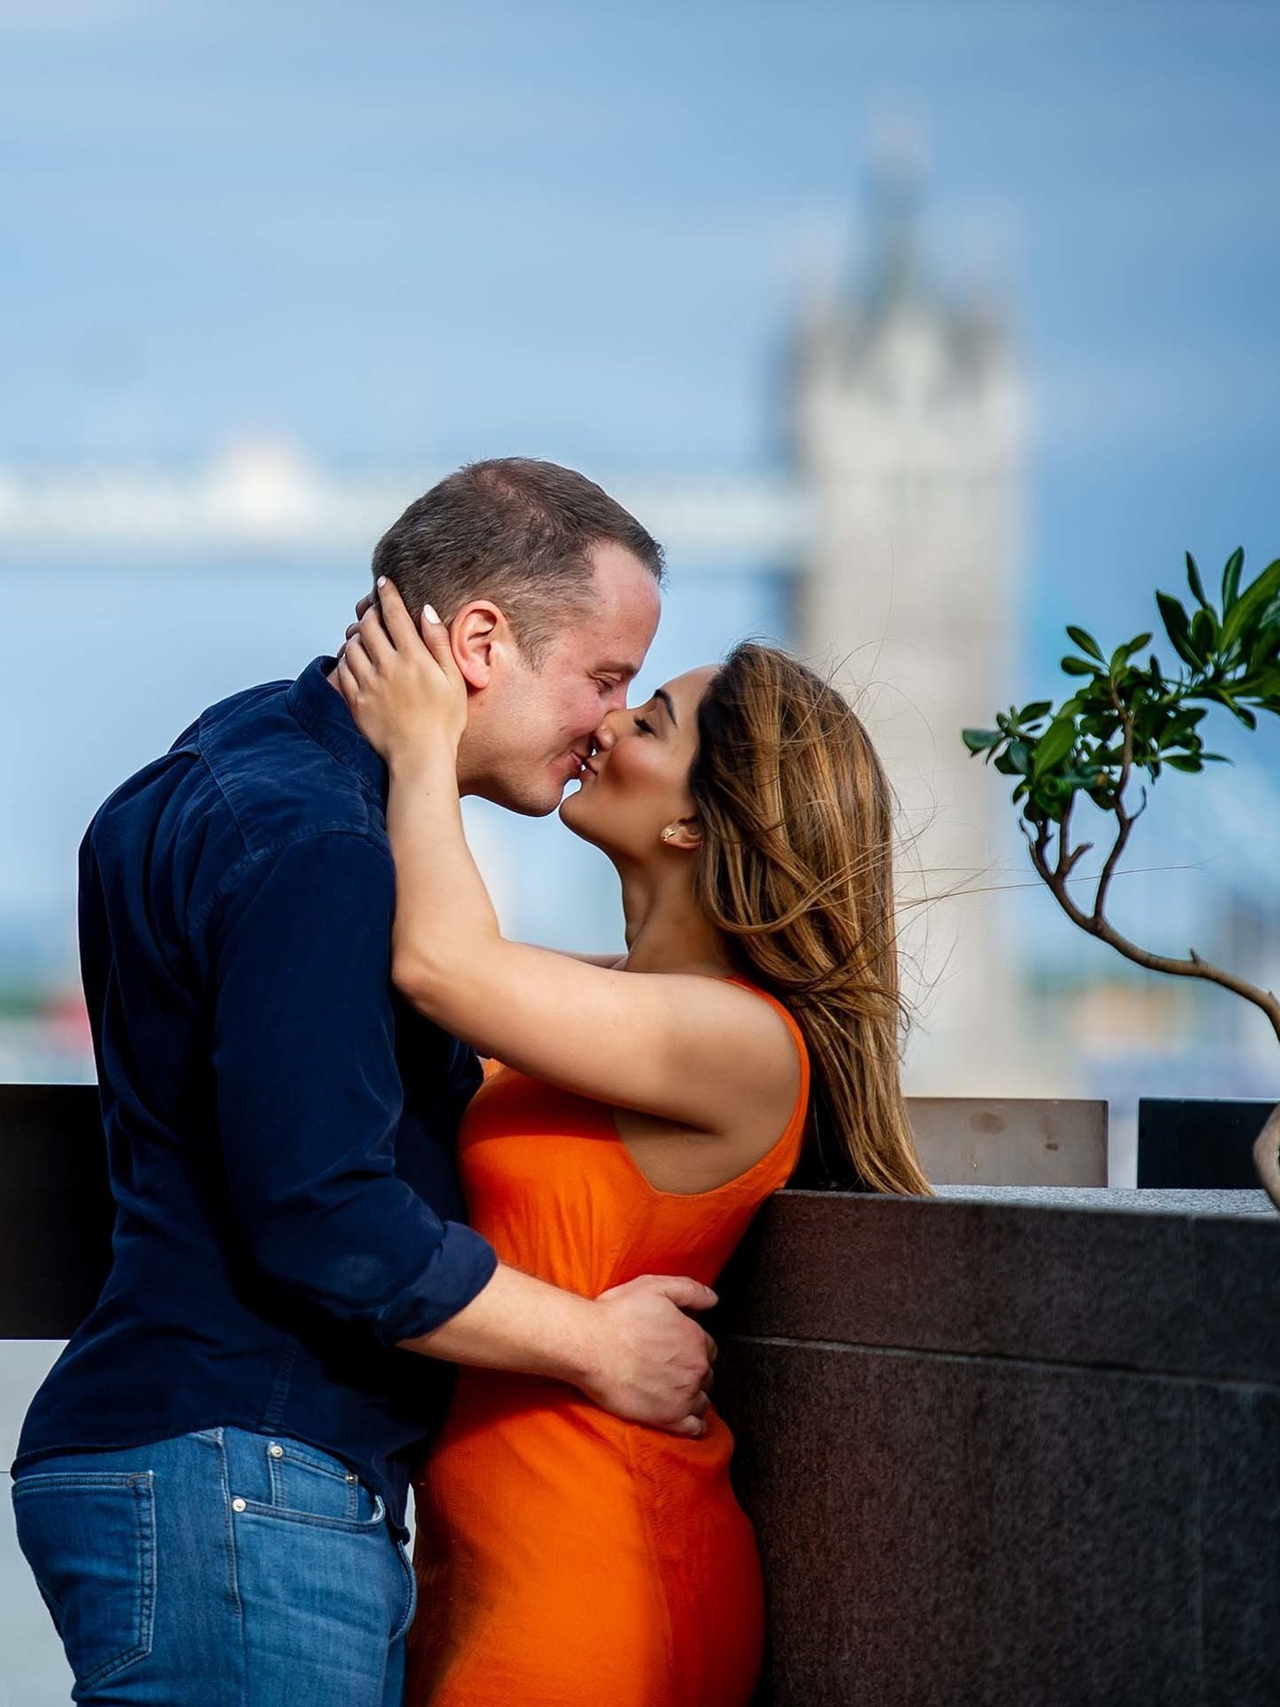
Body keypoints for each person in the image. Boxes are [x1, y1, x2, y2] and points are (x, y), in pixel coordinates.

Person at [14, 460, 722, 1707]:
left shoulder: (227, 766)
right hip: (246, 1481)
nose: (609, 723)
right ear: (481, 642)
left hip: (188, 1465)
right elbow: (327, 1214)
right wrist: (598, 1348)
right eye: (603, 679)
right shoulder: (326, 850)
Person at [332, 583, 931, 1707]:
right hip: (486, 1570)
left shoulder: (743, 1041)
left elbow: (442, 966)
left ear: (696, 824)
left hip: (601, 1584)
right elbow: (453, 960)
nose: (606, 724)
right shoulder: (609, 1005)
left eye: (647, 721)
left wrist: (424, 746)